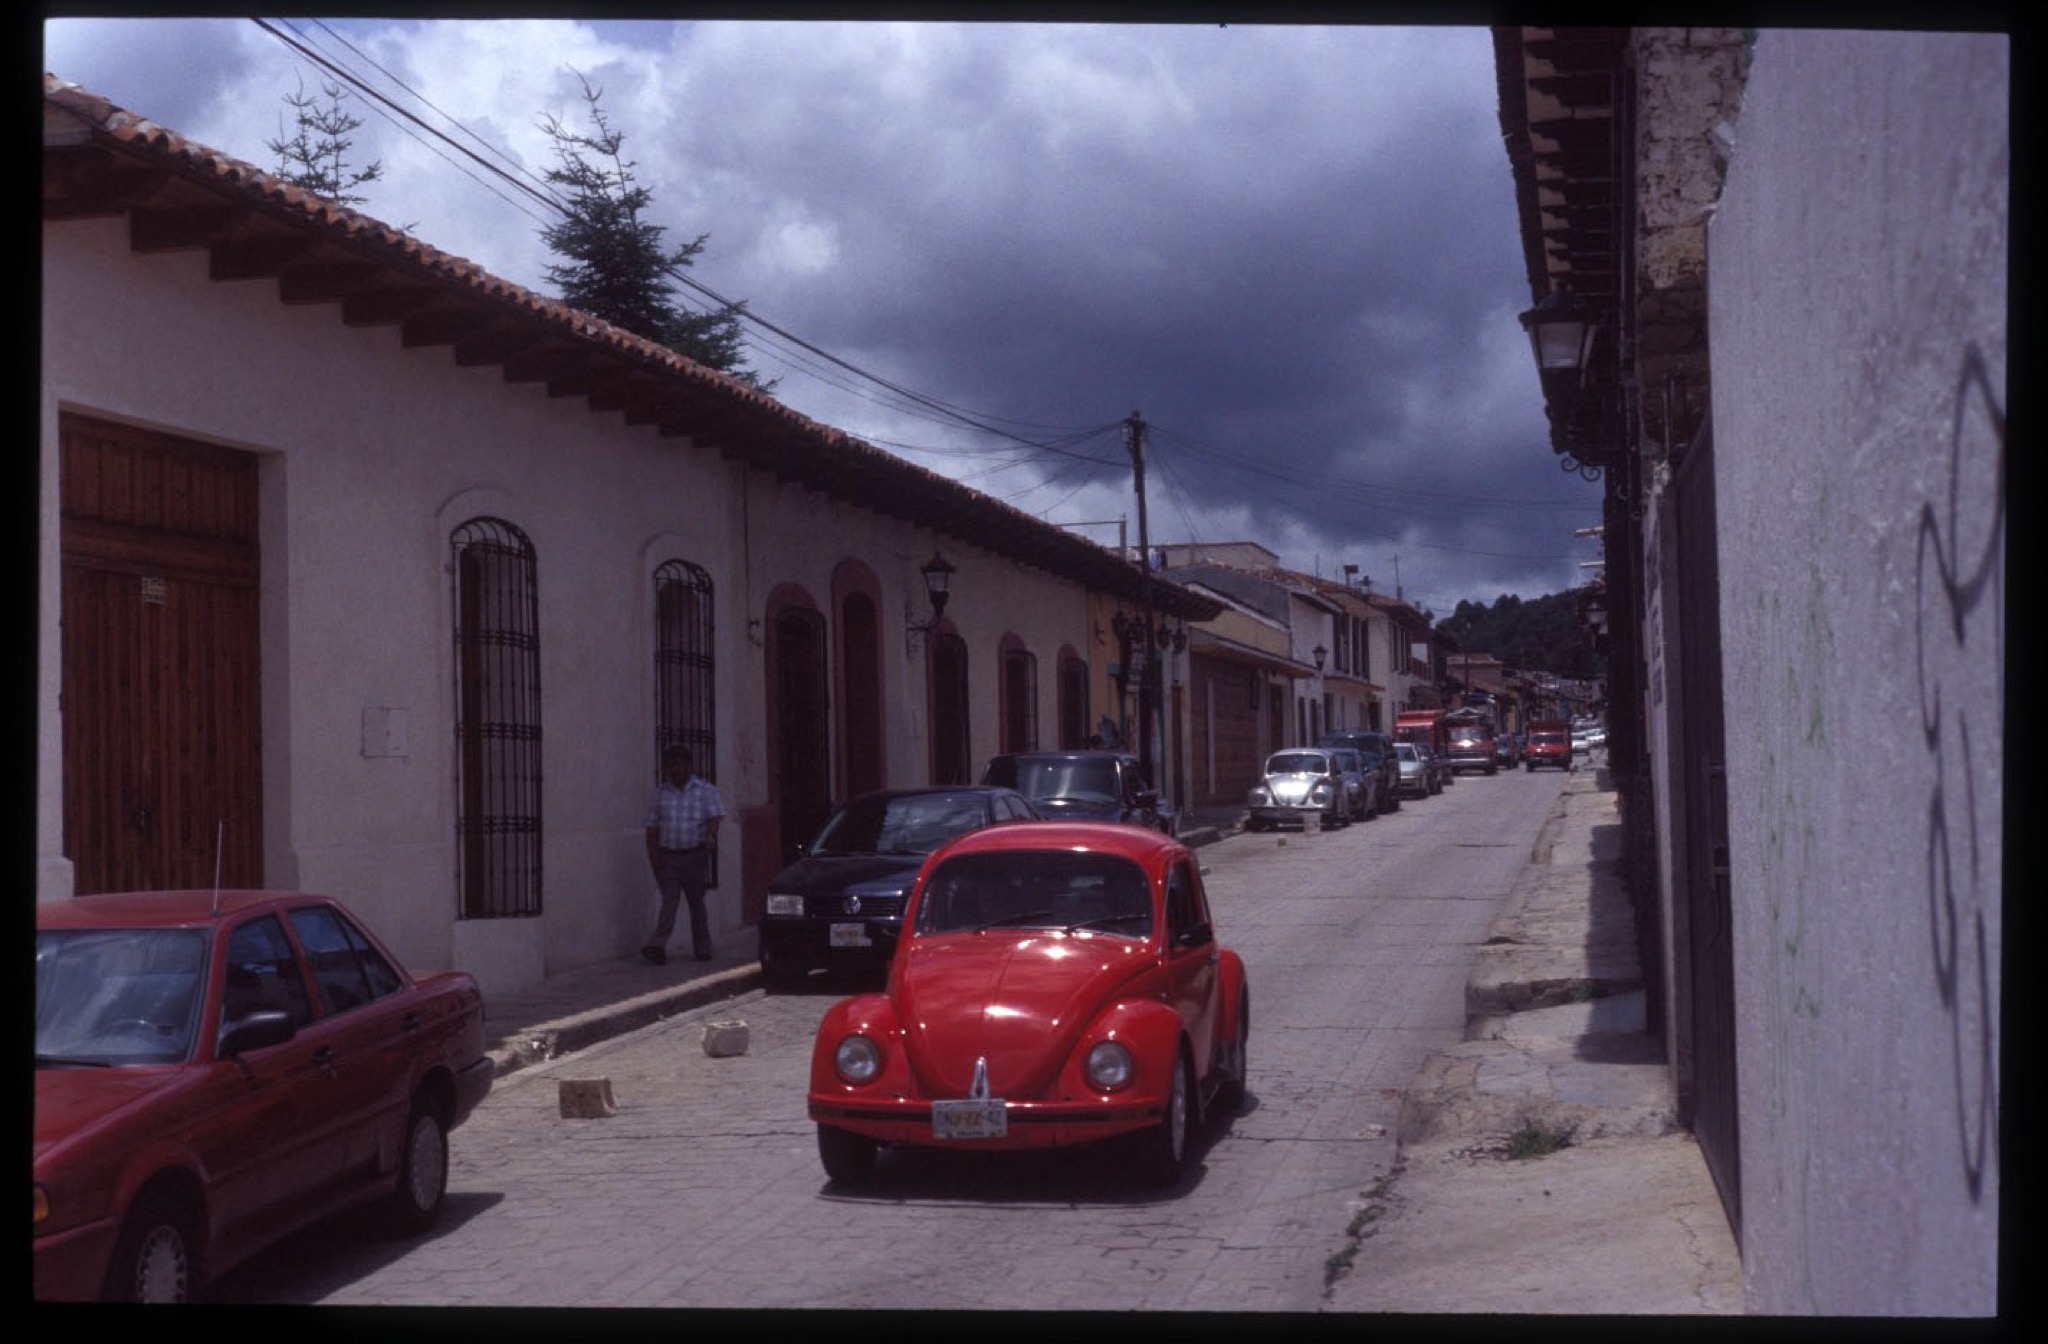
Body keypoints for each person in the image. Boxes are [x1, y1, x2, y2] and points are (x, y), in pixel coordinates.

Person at [641, 744, 725, 965]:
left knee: (696, 903)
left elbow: (715, 816)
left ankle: (703, 947)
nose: (674, 770)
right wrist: (655, 861)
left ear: (688, 765)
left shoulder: (705, 791)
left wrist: (711, 836)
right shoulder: (660, 795)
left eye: (678, 765)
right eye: (670, 766)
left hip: (694, 855)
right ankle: (657, 945)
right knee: (669, 902)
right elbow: (652, 828)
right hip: (669, 856)